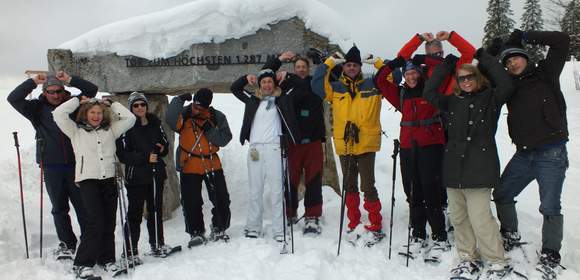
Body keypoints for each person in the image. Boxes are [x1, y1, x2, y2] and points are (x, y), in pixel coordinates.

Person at [423, 49, 514, 279]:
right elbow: (429, 92)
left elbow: (506, 83)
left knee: (480, 218)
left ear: (477, 77)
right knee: (459, 218)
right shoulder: (452, 102)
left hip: (480, 169)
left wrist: (484, 57)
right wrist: (445, 67)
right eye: (461, 78)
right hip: (454, 169)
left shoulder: (491, 98)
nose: (465, 81)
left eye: (469, 77)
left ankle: (496, 261)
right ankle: (467, 258)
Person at [492, 30, 570, 278]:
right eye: (507, 62)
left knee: (549, 205)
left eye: (514, 57)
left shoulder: (546, 73)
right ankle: (510, 233)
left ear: (525, 56)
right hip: (524, 154)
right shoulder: (509, 85)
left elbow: (561, 41)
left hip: (552, 153)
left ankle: (550, 253)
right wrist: (494, 57)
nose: (511, 63)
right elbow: (484, 78)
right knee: (502, 193)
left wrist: (526, 35)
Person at [7, 71, 96, 260]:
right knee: (59, 208)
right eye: (51, 91)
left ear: (64, 91)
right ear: (45, 92)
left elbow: (92, 90)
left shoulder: (74, 104)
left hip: (76, 165)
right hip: (51, 166)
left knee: (83, 206)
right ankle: (67, 244)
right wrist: (32, 82)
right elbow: (13, 98)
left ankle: (89, 242)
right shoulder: (36, 109)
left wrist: (70, 79)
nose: (55, 95)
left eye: (58, 91)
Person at [373, 53, 449, 260]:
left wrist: (426, 58)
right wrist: (393, 64)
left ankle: (440, 236)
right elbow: (379, 81)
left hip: (431, 147)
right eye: (408, 73)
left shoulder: (432, 90)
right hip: (408, 148)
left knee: (432, 192)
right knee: (413, 192)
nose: (411, 77)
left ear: (420, 73)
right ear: (404, 76)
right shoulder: (400, 94)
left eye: (414, 72)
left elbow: (445, 68)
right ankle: (418, 233)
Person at [53, 95, 135, 279]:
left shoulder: (110, 131)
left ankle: (106, 260)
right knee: (95, 221)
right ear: (85, 113)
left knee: (108, 222)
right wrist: (77, 100)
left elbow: (130, 119)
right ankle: (82, 263)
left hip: (109, 180)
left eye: (99, 112)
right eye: (92, 112)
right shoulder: (75, 131)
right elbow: (59, 114)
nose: (96, 116)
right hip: (88, 180)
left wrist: (112, 104)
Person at [311, 45, 384, 245]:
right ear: (343, 67)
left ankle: (375, 223)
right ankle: (354, 222)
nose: (351, 68)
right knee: (349, 185)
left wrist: (378, 62)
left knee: (368, 186)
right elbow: (316, 86)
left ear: (360, 67)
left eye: (355, 65)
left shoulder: (373, 84)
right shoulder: (335, 88)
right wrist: (327, 64)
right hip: (345, 144)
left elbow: (391, 78)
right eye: (348, 65)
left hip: (367, 143)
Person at [230, 65, 303, 242]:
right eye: (264, 82)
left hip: (274, 148)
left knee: (277, 191)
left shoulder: (282, 99)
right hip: (255, 149)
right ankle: (253, 226)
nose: (267, 85)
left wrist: (287, 75)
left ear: (274, 83)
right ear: (260, 85)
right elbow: (234, 89)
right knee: (255, 190)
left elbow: (300, 85)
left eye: (270, 81)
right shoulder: (252, 99)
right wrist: (246, 78)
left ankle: (279, 228)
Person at [263, 51, 326, 235]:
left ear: (308, 69)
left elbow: (335, 74)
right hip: (292, 141)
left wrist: (323, 61)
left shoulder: (315, 82)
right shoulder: (285, 83)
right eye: (297, 67)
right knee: (290, 179)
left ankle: (312, 216)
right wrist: (279, 60)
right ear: (294, 69)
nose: (301, 70)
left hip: (313, 140)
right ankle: (289, 213)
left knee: (313, 179)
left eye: (304, 67)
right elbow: (264, 75)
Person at [166, 88, 233, 248]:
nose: (196, 110)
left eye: (201, 108)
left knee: (221, 198)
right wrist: (179, 99)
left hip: (211, 163)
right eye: (195, 106)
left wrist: (210, 130)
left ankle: (219, 226)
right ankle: (195, 231)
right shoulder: (184, 113)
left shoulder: (217, 116)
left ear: (208, 106)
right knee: (191, 201)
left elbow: (224, 139)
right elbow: (170, 119)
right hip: (189, 163)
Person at [115, 92, 171, 263]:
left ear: (147, 106)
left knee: (155, 211)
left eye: (142, 105)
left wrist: (162, 148)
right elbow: (123, 154)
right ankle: (130, 251)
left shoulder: (155, 123)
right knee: (135, 213)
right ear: (131, 108)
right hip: (137, 176)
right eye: (136, 105)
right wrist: (145, 157)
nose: (140, 108)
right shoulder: (126, 126)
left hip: (155, 174)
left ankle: (157, 243)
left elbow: (165, 145)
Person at [398, 31, 476, 95]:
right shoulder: (423, 72)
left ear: (442, 53)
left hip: (452, 110)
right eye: (430, 55)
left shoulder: (454, 66)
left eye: (437, 54)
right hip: (431, 111)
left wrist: (450, 37)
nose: (434, 58)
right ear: (426, 55)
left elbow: (471, 53)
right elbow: (401, 58)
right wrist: (420, 38)